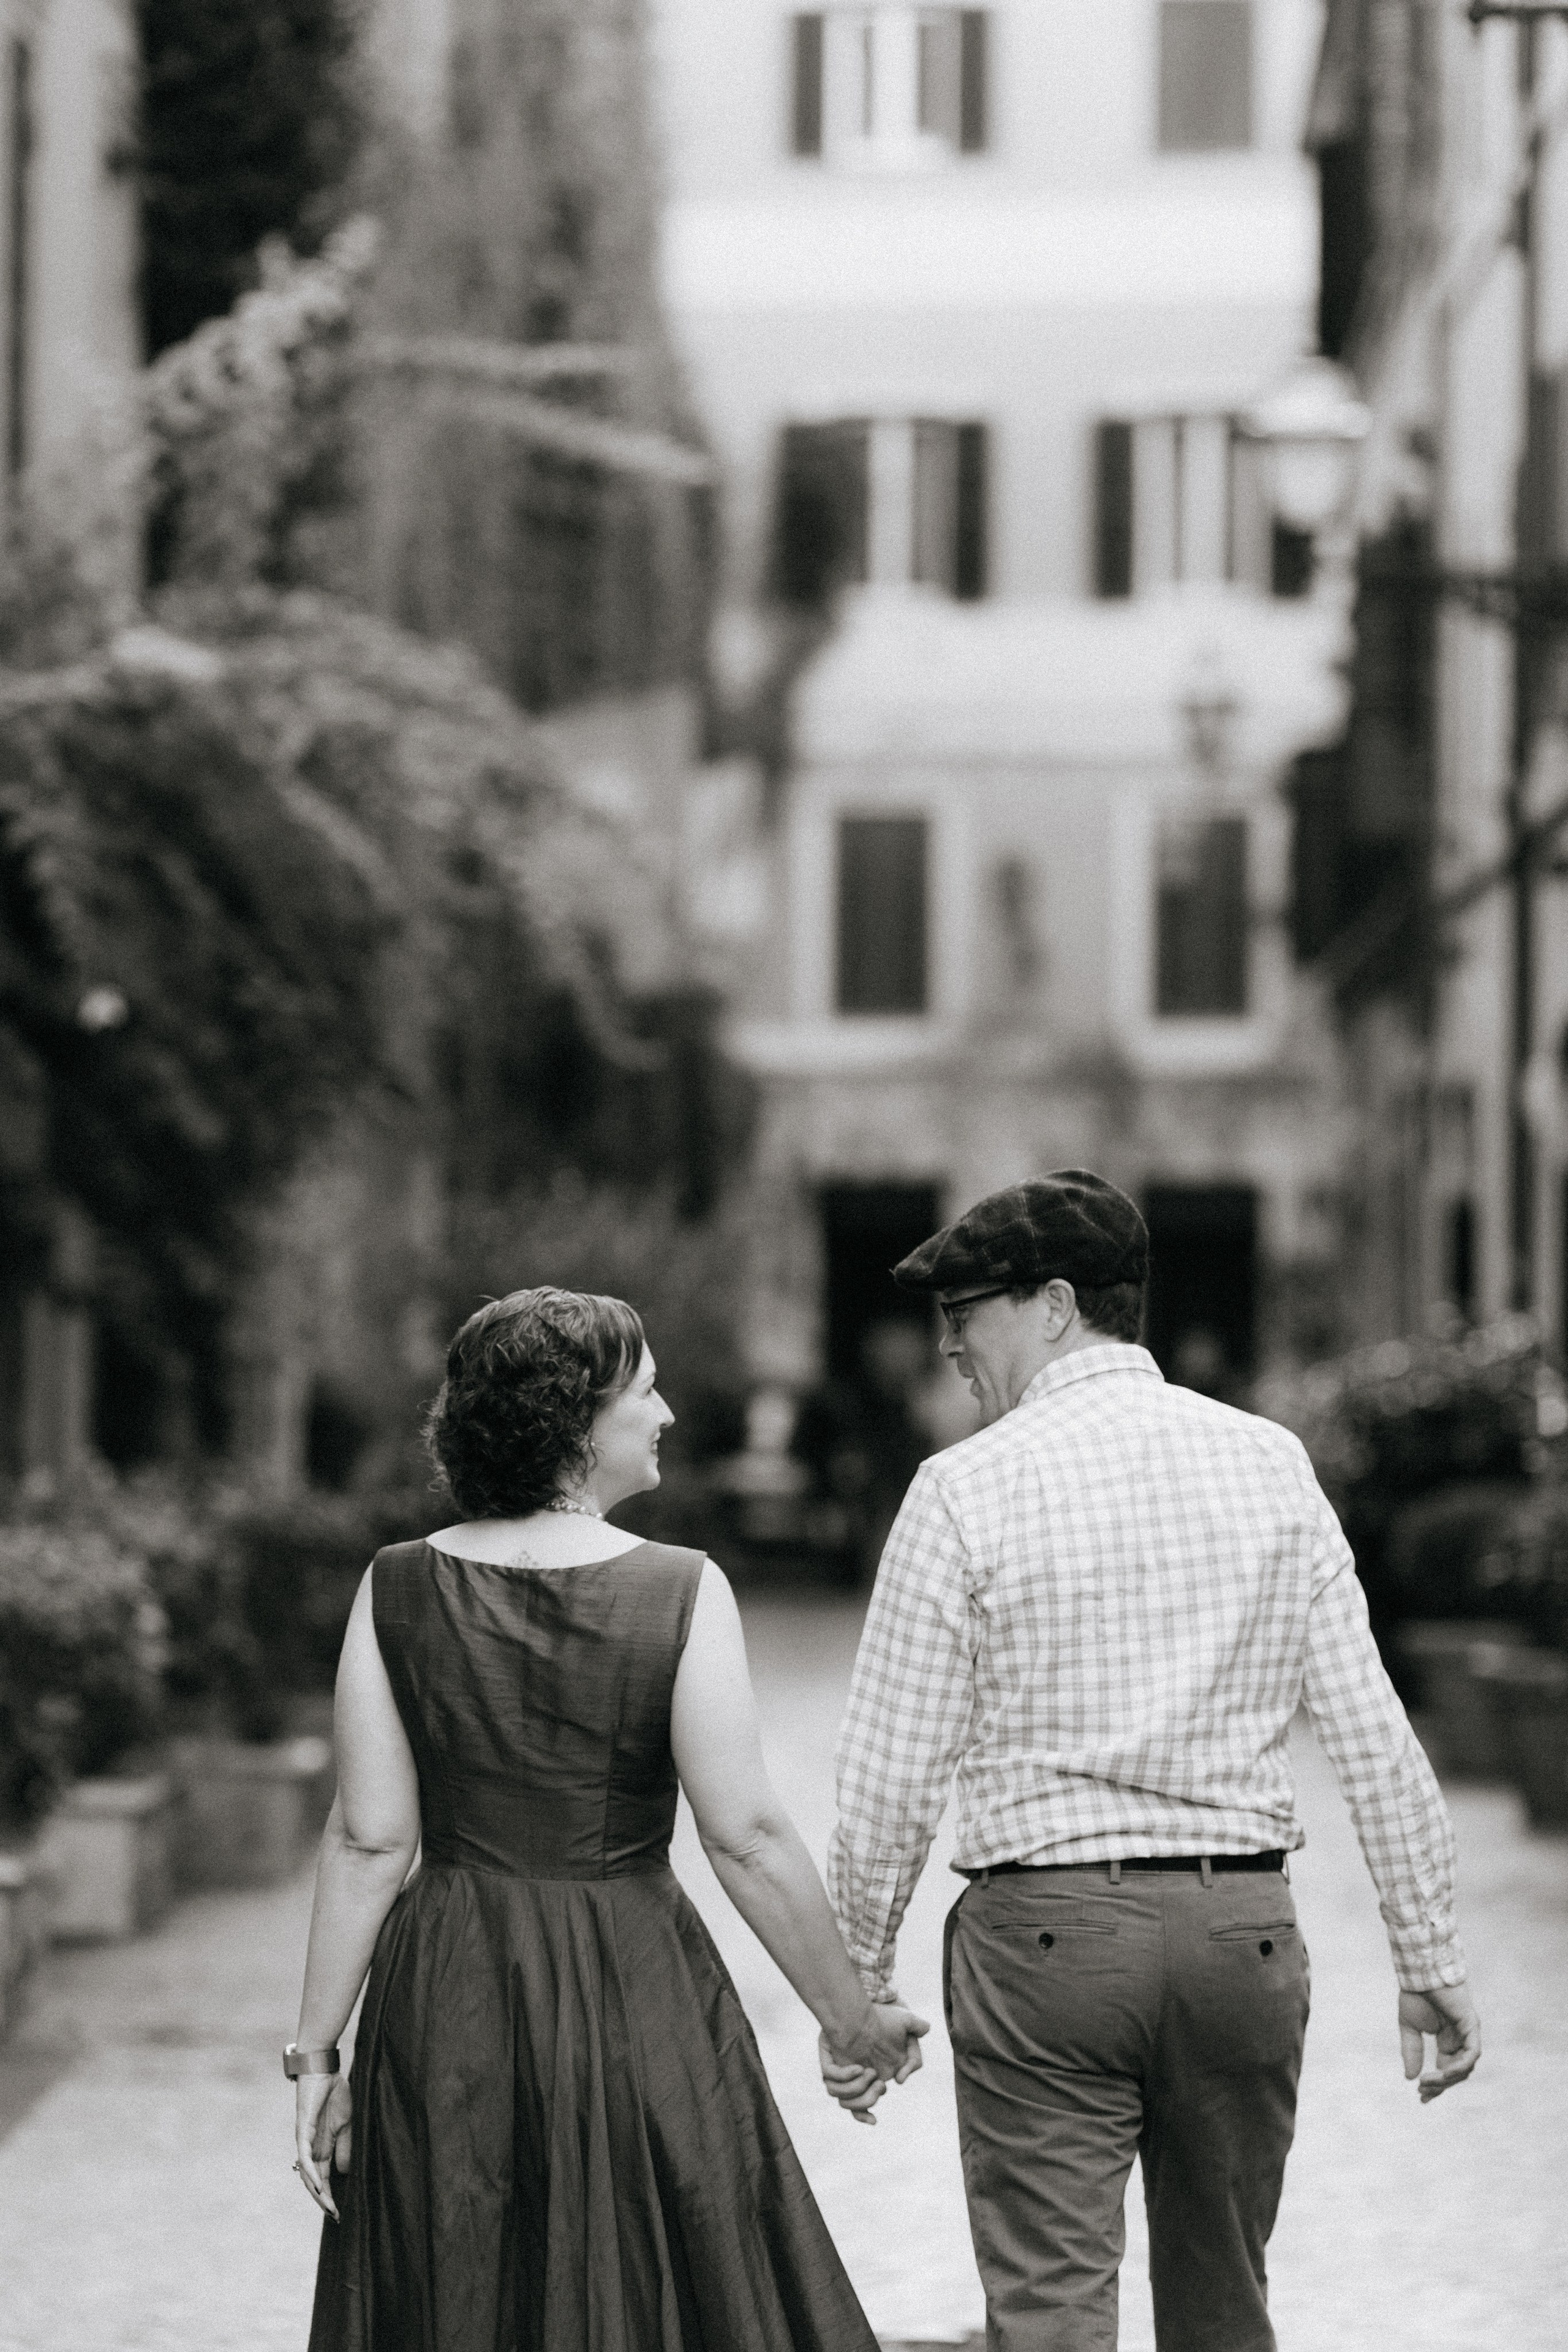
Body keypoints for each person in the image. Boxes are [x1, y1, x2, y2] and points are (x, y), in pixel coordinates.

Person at [820, 1172, 1482, 2352]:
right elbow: (1372, 1731)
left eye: (966, 1311)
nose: (950, 1345)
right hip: (1244, 1936)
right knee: (1225, 2310)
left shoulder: (961, 1489)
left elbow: (890, 1773)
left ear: (1057, 1304)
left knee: (1051, 2319)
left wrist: (854, 1988)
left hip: (1045, 1947)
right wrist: (1427, 1953)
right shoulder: (1271, 1464)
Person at [291, 1285, 927, 2351]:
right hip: (635, 1980)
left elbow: (370, 1840)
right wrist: (850, 2017)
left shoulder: (396, 1586)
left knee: (462, 2275)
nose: (669, 1412)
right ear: (577, 1422)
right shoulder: (681, 1590)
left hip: (451, 1986)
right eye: (646, 1388)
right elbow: (746, 1836)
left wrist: (315, 2060)